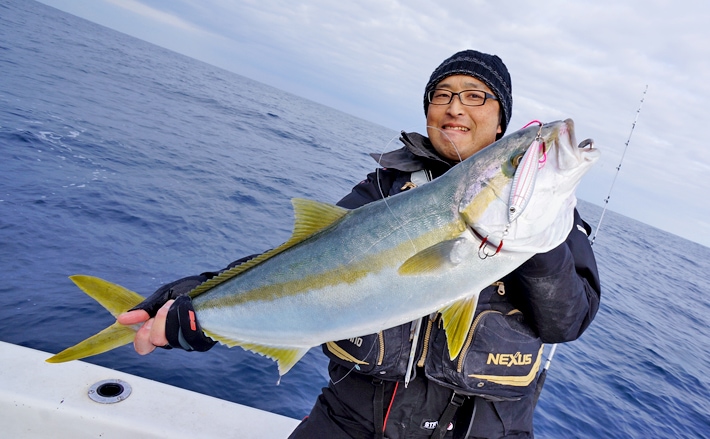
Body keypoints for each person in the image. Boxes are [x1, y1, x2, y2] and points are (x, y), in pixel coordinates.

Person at [118, 49, 601, 438]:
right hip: (349, 423)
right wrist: (201, 296)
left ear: (501, 124)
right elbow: (306, 260)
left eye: (476, 96)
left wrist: (536, 234)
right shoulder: (383, 190)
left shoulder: (552, 219)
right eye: (442, 95)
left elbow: (568, 320)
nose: (455, 107)